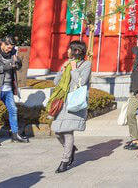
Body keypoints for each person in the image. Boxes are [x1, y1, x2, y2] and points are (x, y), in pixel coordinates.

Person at [50, 40, 91, 174]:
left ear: (76, 51)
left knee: (67, 132)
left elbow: (81, 82)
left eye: (69, 49)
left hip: (74, 102)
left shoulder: (86, 65)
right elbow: (56, 82)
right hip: (62, 101)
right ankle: (71, 149)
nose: (67, 51)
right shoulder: (67, 64)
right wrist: (62, 70)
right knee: (57, 131)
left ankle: (65, 160)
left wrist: (73, 69)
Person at [0, 36, 28, 145]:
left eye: (11, 48)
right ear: (2, 44)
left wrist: (18, 62)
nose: (9, 50)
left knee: (13, 109)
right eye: (8, 47)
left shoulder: (13, 53)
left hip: (8, 88)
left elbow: (18, 67)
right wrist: (5, 67)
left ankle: (15, 135)